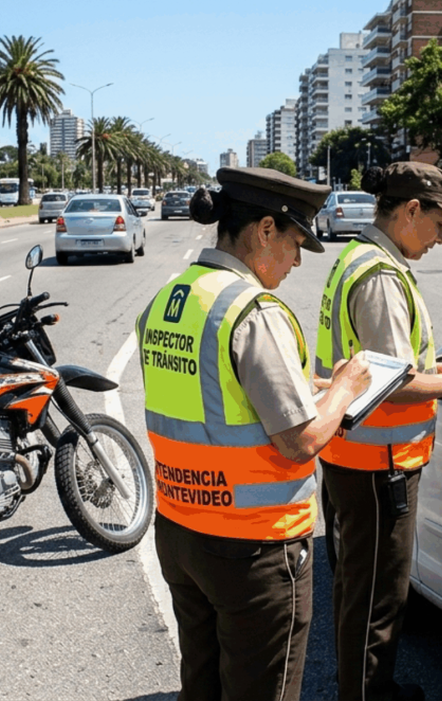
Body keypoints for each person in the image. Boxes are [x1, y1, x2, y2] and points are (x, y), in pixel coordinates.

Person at [137, 167, 372, 701]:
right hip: (252, 546)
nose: (296, 262)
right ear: (265, 229)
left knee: (201, 684)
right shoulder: (252, 310)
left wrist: (307, 385)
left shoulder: (169, 300)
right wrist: (345, 387)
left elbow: (216, 393)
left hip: (180, 529)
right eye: (295, 244)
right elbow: (301, 440)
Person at [315, 162, 442, 701]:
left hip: (353, 456)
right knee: (377, 597)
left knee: (357, 587)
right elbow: (392, 383)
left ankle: (364, 687)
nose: (441, 238)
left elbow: (382, 364)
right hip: (379, 463)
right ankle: (367, 694)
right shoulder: (381, 275)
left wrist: (431, 369)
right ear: (411, 210)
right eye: (440, 224)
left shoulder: (359, 257)